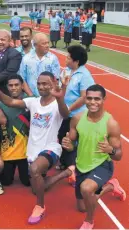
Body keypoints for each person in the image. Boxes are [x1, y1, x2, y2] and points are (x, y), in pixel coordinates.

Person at [0, 71, 70, 224]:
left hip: (51, 148)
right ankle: (66, 172)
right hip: (33, 151)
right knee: (37, 187)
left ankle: (40, 206)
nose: (41, 86)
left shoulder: (57, 104)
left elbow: (65, 114)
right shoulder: (33, 101)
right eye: (39, 83)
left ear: (54, 82)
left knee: (34, 170)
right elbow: (11, 103)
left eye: (45, 83)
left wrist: (60, 98)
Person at [62, 84, 126, 229]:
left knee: (86, 189)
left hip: (102, 164)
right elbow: (71, 143)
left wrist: (110, 149)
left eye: (97, 99)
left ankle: (89, 221)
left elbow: (119, 155)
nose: (92, 102)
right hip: (82, 165)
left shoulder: (111, 124)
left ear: (104, 99)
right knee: (82, 206)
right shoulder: (77, 119)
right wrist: (68, 145)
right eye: (89, 98)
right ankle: (111, 186)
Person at [57, 45, 94, 173]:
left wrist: (69, 108)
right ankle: (64, 162)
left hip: (76, 114)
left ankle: (74, 166)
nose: (65, 59)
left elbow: (84, 97)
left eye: (68, 57)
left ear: (76, 61)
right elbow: (61, 88)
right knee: (62, 135)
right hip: (64, 112)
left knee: (73, 139)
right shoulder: (66, 71)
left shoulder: (84, 75)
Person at [0, 74, 31, 187]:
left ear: (22, 86)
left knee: (27, 182)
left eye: (16, 85)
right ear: (7, 87)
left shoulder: (31, 101)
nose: (13, 88)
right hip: (8, 151)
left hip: (27, 153)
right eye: (11, 85)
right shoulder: (0, 105)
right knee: (6, 182)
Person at [20, 33, 61, 97]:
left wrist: (50, 95)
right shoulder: (26, 59)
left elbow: (56, 79)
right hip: (30, 97)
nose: (47, 45)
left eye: (48, 43)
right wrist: (30, 95)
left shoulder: (53, 58)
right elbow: (22, 79)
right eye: (44, 43)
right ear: (35, 45)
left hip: (48, 97)